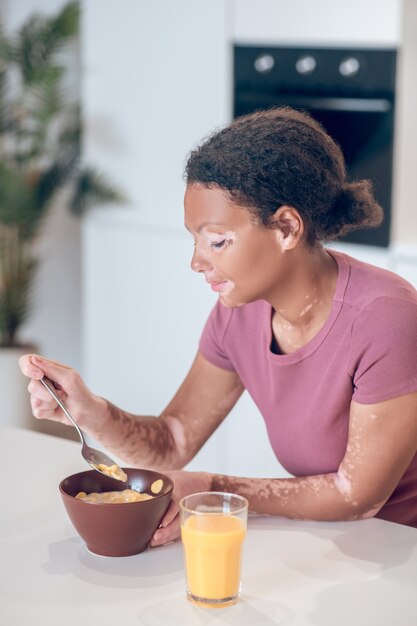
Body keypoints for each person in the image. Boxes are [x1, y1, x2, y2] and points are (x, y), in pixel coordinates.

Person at [19, 106, 417, 546]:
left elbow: (357, 496)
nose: (196, 261)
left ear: (286, 228)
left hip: (401, 554)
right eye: (194, 240)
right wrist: (89, 410)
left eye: (217, 241)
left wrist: (212, 486)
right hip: (336, 545)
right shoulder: (239, 313)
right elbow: (172, 442)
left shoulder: (385, 318)